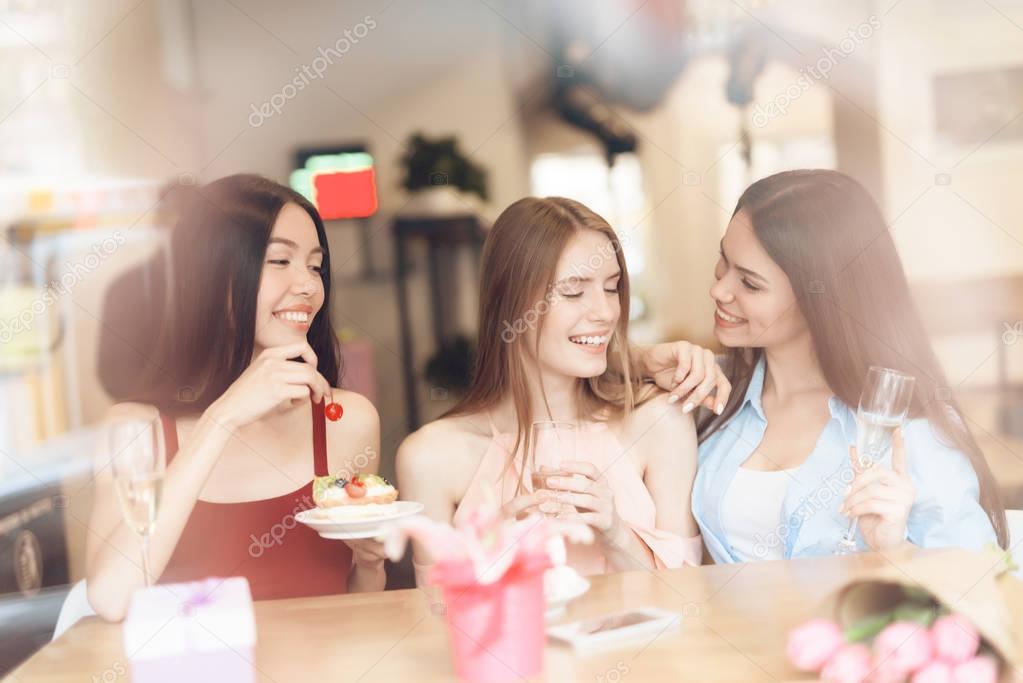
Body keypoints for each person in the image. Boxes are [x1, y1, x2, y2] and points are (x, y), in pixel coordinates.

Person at [86, 175, 385, 621]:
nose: (308, 285)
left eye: (316, 266)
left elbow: (362, 614)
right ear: (212, 276)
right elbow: (111, 598)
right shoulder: (137, 430)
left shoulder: (347, 421)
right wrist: (223, 418)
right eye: (281, 260)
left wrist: (371, 564)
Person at [397, 197, 729, 584]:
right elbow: (436, 624)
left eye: (612, 288)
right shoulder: (431, 457)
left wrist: (616, 536)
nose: (605, 312)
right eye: (573, 292)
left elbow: (686, 605)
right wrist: (490, 552)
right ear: (510, 305)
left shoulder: (658, 422)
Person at [693, 169, 1007, 563]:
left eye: (750, 284)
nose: (718, 290)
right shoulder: (714, 394)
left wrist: (894, 550)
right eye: (723, 262)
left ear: (819, 298)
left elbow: (981, 589)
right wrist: (645, 358)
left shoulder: (908, 429)